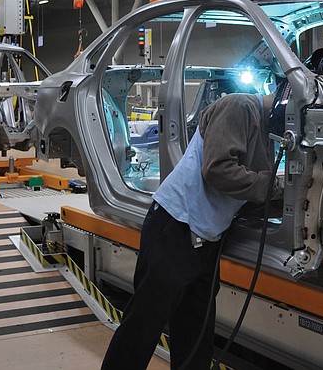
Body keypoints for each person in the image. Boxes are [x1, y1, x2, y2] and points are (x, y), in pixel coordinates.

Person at [101, 89, 279, 370]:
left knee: (196, 333)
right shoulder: (240, 106)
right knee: (144, 326)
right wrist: (274, 187)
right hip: (175, 226)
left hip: (207, 239)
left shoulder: (269, 133)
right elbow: (218, 169)